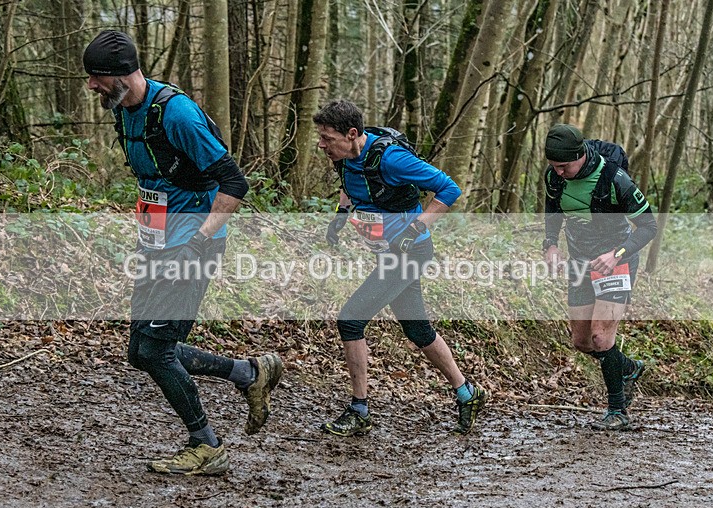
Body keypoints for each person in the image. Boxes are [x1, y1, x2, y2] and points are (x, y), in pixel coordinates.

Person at [83, 30, 283, 474]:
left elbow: (235, 184)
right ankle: (248, 373)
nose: (92, 86)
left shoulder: (178, 116)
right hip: (157, 243)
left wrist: (197, 242)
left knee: (156, 350)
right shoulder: (125, 111)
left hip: (192, 246)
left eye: (96, 78)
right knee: (141, 351)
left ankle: (206, 445)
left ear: (120, 75)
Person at [313, 100, 487, 436]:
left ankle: (359, 409)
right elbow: (350, 184)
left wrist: (415, 229)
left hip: (409, 252)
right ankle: (467, 392)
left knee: (350, 319)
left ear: (351, 134)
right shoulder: (344, 155)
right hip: (387, 253)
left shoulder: (391, 159)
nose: (321, 144)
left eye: (327, 138)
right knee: (418, 330)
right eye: (320, 137)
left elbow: (449, 189)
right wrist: (339, 215)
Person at [542, 123, 656, 430]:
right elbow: (552, 210)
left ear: (580, 155)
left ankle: (617, 411)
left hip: (616, 259)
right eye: (553, 167)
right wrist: (550, 244)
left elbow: (649, 227)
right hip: (580, 262)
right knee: (581, 341)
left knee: (601, 337)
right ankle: (628, 368)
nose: (559, 172)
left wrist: (616, 254)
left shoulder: (614, 178)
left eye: (564, 166)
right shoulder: (554, 177)